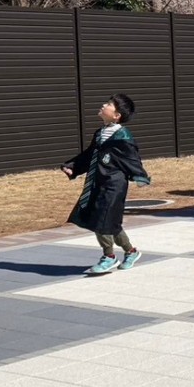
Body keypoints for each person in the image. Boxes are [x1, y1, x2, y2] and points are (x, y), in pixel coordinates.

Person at [62, 93, 151, 274]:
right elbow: (89, 155)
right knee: (111, 222)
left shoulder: (123, 135)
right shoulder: (100, 133)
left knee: (101, 219)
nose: (103, 105)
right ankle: (131, 252)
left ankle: (109, 257)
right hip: (98, 182)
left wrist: (140, 176)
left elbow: (132, 158)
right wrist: (74, 167)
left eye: (109, 104)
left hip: (114, 185)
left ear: (117, 115)